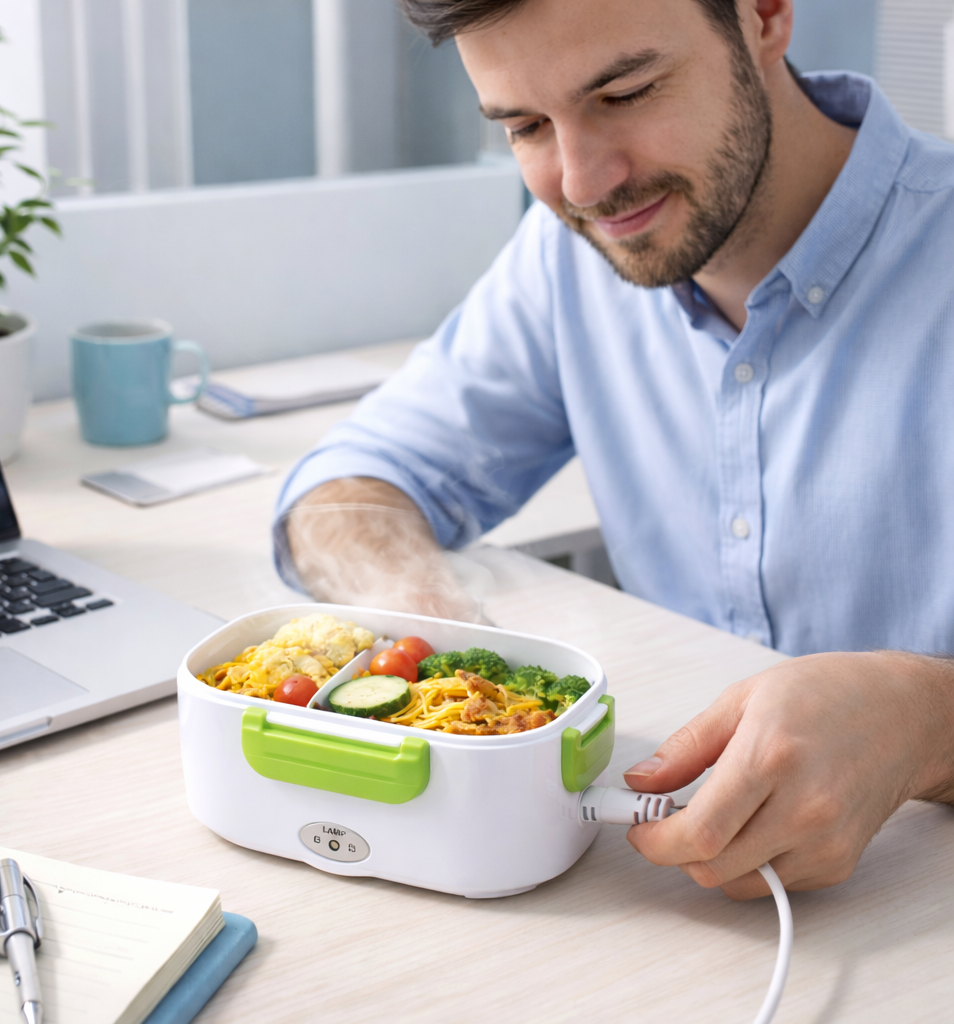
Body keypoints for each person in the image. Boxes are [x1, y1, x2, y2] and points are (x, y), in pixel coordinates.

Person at [272, 0, 954, 899]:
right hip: (657, 894)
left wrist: (930, 724)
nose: (583, 183)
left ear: (764, 15)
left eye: (626, 93)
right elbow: (349, 488)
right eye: (525, 126)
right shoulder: (575, 252)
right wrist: (431, 628)